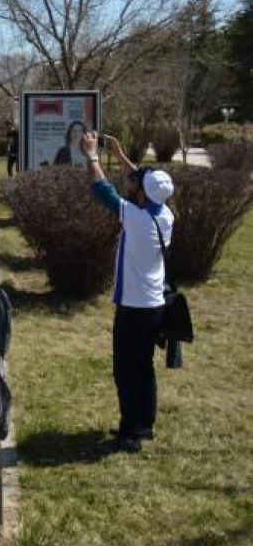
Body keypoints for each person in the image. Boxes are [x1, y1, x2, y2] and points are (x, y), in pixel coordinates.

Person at [84, 132, 175, 453]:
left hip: (135, 309)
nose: (131, 179)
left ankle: (130, 433)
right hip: (154, 305)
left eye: (136, 181)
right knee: (144, 367)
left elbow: (102, 190)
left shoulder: (137, 220)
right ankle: (143, 424)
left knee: (125, 369)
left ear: (142, 194)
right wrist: (121, 155)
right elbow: (146, 184)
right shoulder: (163, 214)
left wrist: (93, 155)